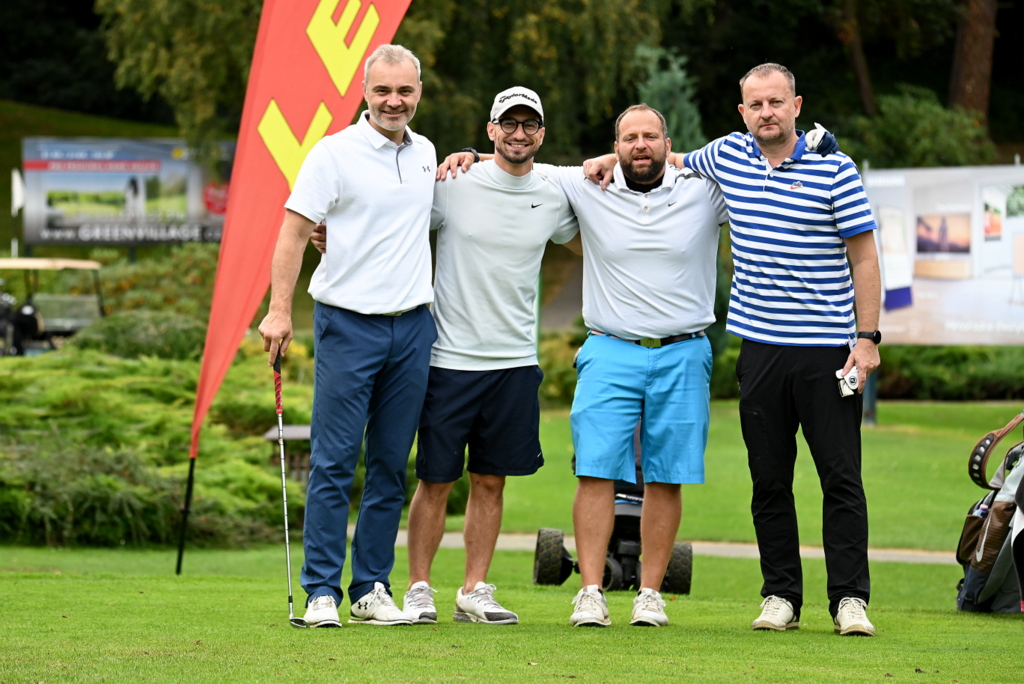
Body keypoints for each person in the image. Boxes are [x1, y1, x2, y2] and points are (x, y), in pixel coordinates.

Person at [586, 62, 881, 636]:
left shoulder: (835, 168)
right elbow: (664, 158)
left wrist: (867, 340)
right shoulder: (727, 155)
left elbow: (864, 257)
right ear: (743, 112)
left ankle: (849, 598)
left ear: (796, 106)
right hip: (760, 349)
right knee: (769, 480)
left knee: (840, 478)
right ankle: (781, 596)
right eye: (756, 105)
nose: (767, 113)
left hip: (827, 350)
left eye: (777, 102)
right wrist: (606, 159)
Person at [444, 103, 729, 628]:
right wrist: (469, 155)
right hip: (610, 347)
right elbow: (519, 157)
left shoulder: (706, 190)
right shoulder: (586, 183)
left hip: (684, 349)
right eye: (629, 138)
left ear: (668, 144)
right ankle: (591, 592)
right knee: (595, 470)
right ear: (614, 147)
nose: (640, 145)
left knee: (667, 476)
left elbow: (760, 175)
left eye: (650, 137)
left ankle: (650, 594)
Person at [313, 87, 580, 625]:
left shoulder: (553, 194)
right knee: (434, 480)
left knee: (491, 481)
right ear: (491, 129)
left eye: (529, 124)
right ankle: (418, 587)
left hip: (514, 362)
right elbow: (390, 219)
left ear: (541, 133)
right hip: (447, 358)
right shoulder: (452, 183)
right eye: (509, 123)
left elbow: (596, 236)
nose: (519, 133)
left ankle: (474, 589)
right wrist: (333, 234)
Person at [258, 44, 437, 628]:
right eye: (383, 90)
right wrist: (278, 312)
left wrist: (475, 153)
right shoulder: (333, 153)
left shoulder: (427, 153)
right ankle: (320, 591)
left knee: (389, 465)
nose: (394, 101)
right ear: (365, 92)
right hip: (348, 324)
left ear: (418, 92)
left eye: (404, 91)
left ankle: (370, 588)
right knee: (335, 462)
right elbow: (293, 233)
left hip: (413, 326)